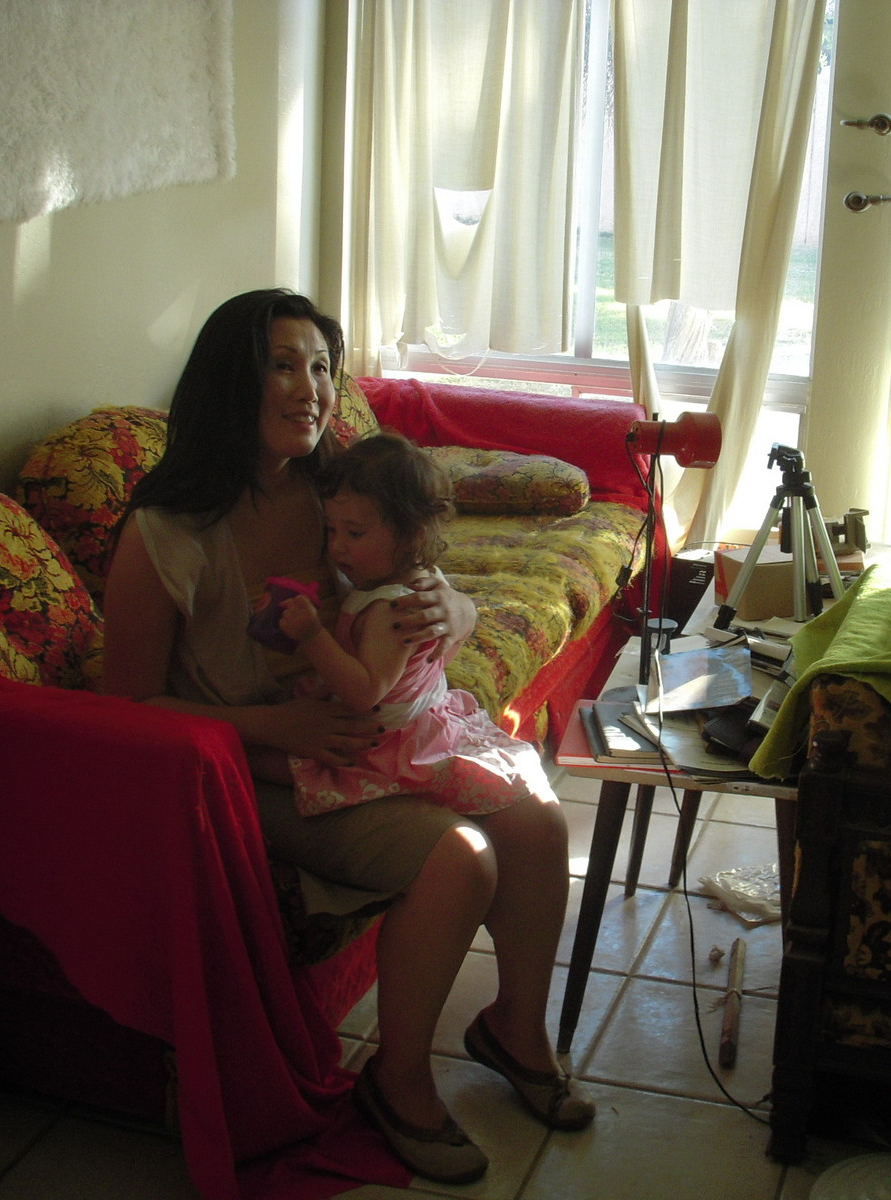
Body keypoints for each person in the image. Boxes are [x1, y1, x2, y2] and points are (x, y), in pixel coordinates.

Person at [102, 289, 591, 1186]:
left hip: (353, 747)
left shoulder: (331, 486)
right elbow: (126, 709)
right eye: (283, 365)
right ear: (232, 381)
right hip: (251, 769)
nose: (313, 388)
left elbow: (423, 573)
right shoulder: (164, 532)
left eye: (323, 367)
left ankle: (514, 1031)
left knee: (538, 819)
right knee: (461, 859)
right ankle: (396, 1084)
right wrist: (274, 725)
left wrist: (457, 608)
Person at [274, 431, 551, 819]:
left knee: (275, 767)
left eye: (354, 533)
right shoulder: (425, 581)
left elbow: (365, 693)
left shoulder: (393, 609)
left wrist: (312, 636)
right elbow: (443, 653)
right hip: (423, 714)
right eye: (331, 529)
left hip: (389, 743)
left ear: (411, 536)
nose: (337, 546)